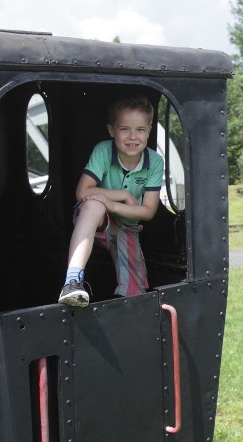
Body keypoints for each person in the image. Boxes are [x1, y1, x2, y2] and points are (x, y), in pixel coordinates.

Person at [58, 94, 164, 307]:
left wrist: (115, 205)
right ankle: (72, 281)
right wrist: (124, 197)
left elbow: (148, 211)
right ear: (111, 130)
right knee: (94, 203)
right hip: (95, 220)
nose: (132, 136)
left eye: (140, 130)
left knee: (136, 290)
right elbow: (83, 192)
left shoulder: (155, 161)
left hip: (125, 226)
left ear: (149, 132)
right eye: (124, 129)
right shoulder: (104, 150)